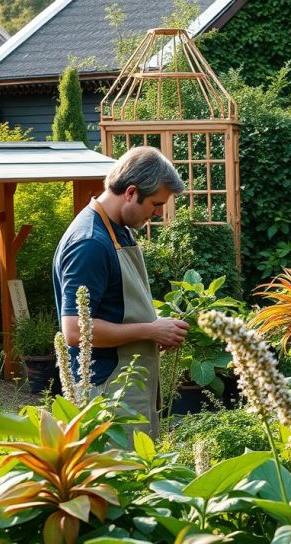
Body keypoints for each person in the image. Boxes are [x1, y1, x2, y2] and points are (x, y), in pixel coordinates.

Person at [52, 146, 190, 436]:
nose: (158, 213)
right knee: (119, 477)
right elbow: (76, 330)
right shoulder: (90, 243)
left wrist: (158, 325)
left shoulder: (119, 230)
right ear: (130, 192)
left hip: (128, 386)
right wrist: (150, 331)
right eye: (155, 204)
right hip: (106, 393)